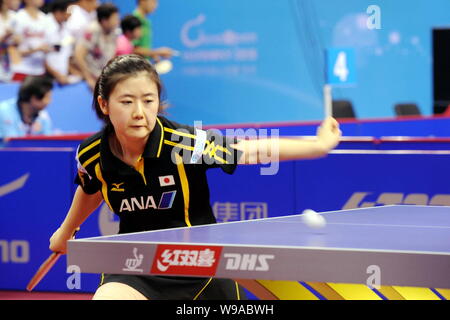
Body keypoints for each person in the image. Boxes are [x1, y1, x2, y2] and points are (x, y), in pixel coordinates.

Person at [48, 54, 341, 300]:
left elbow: (248, 150)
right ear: (104, 105)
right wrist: (66, 231)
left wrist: (317, 146)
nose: (140, 113)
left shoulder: (182, 144)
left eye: (148, 101)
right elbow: (91, 188)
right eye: (126, 102)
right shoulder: (91, 155)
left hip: (199, 268)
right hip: (134, 265)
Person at [74, 2, 119, 91]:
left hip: (104, 77)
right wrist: (88, 78)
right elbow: (78, 55)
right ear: (104, 21)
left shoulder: (114, 32)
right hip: (92, 79)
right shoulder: (92, 31)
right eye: (114, 18)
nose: (117, 21)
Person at [9, 0, 54, 82]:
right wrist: (35, 50)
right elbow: (13, 48)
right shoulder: (18, 18)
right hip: (21, 69)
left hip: (39, 70)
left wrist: (48, 49)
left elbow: (49, 43)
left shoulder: (45, 18)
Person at [0, 75, 54, 140]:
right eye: (47, 97)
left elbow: (48, 142)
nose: (50, 102)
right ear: (33, 98)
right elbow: (11, 144)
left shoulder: (43, 115)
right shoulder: (4, 111)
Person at [45, 0, 81, 85]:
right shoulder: (44, 25)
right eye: (68, 12)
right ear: (58, 12)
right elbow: (41, 57)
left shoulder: (66, 29)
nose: (70, 15)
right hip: (46, 76)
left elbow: (65, 54)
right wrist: (56, 74)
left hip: (62, 76)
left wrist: (73, 72)